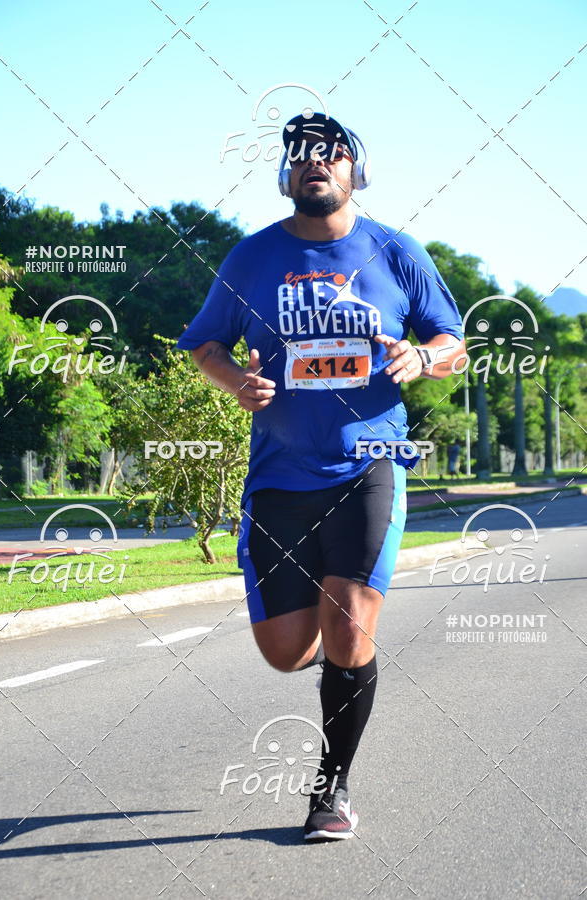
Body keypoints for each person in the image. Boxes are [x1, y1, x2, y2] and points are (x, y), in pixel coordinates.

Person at [177, 112, 467, 841]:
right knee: (285, 653)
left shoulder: (397, 253)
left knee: (349, 620)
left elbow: (452, 341)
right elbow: (204, 344)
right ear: (285, 173)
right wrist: (233, 382)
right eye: (301, 155)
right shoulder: (250, 259)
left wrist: (421, 359)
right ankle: (322, 636)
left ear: (352, 169)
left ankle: (329, 791)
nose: (316, 164)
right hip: (279, 477)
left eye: (330, 154)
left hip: (371, 462)